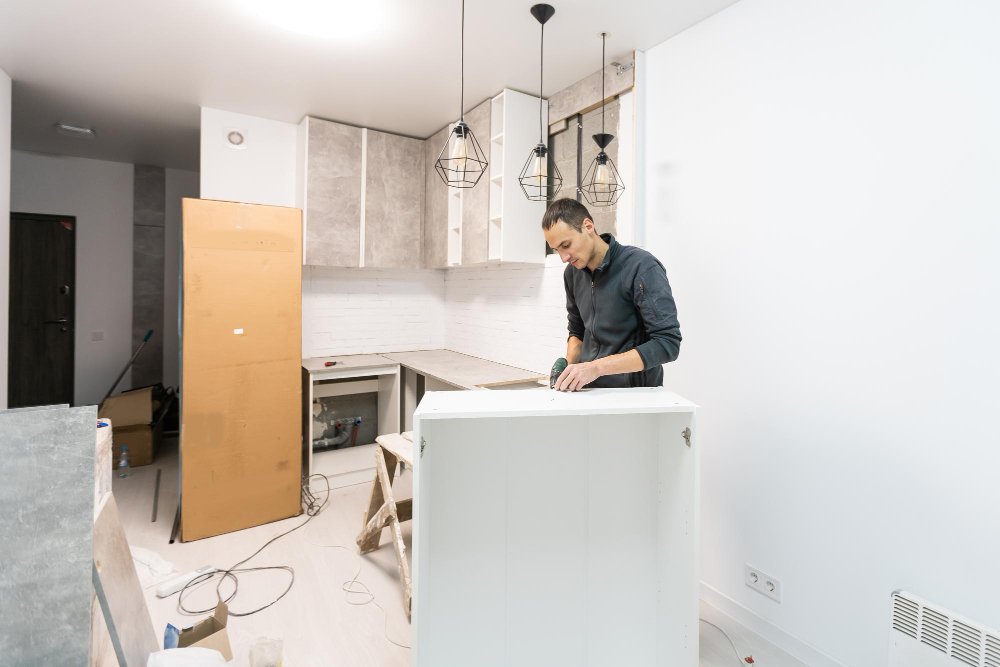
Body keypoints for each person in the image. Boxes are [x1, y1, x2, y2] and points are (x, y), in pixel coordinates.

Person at [542, 198, 682, 391]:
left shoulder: (641, 267)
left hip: (635, 397)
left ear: (588, 226)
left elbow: (667, 343)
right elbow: (577, 332)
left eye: (566, 245)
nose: (563, 258)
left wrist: (596, 368)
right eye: (557, 250)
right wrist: (568, 368)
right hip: (588, 392)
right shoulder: (572, 274)